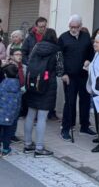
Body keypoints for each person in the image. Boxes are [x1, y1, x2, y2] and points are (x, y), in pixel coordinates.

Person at [23, 29, 64, 157]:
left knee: (30, 114)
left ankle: (27, 144)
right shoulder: (57, 50)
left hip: (33, 83)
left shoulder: (36, 46)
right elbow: (60, 71)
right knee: (42, 117)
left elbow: (29, 61)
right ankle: (39, 148)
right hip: (47, 86)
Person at [59, 14, 95, 141]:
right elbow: (58, 57)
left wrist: (88, 60)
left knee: (85, 101)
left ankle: (84, 126)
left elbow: (91, 53)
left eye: (76, 27)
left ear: (80, 26)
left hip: (83, 75)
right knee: (70, 102)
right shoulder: (63, 37)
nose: (73, 29)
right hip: (69, 76)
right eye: (71, 27)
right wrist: (63, 73)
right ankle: (66, 128)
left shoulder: (86, 37)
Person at [0, 63, 22, 156]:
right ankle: (6, 149)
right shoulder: (18, 86)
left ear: (5, 74)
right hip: (11, 115)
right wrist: (16, 114)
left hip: (1, 113)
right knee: (7, 133)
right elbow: (19, 103)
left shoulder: (2, 85)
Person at [8, 49, 26, 143]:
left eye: (20, 54)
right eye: (17, 54)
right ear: (11, 56)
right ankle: (6, 135)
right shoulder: (8, 67)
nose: (19, 56)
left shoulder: (23, 67)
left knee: (16, 115)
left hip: (20, 93)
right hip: (9, 95)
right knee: (8, 115)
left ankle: (12, 135)